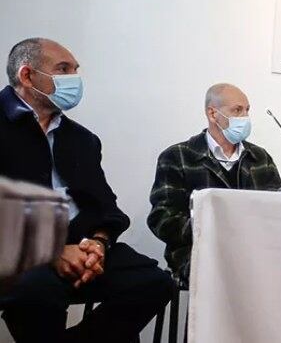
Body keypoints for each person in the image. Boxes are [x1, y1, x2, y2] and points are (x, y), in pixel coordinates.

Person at [0, 38, 172, 342]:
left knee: (152, 282)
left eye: (76, 70)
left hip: (77, 245)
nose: (74, 79)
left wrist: (98, 244)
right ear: (27, 76)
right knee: (37, 291)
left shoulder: (82, 140)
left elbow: (104, 205)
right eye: (63, 69)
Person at [148, 83, 281, 284]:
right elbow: (162, 218)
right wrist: (212, 228)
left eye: (247, 110)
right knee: (224, 271)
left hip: (252, 251)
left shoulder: (260, 158)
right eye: (237, 110)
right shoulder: (178, 156)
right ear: (212, 114)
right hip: (197, 251)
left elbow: (276, 212)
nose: (244, 117)